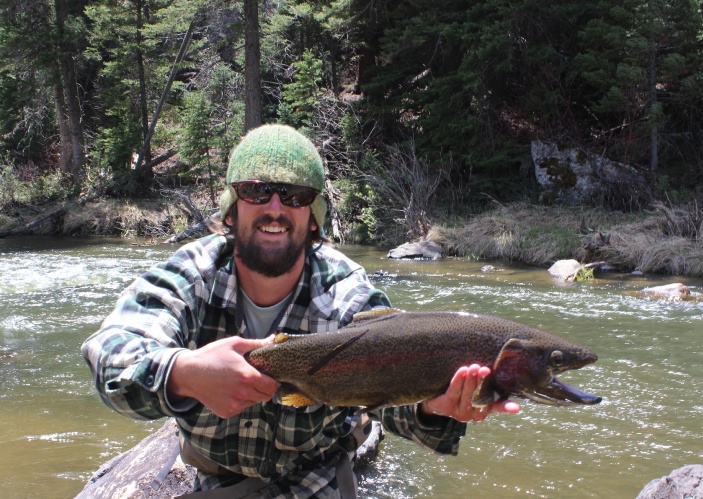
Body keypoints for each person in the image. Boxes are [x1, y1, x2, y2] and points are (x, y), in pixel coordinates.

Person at [81, 124, 519, 498]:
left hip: (317, 475)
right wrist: (183, 372)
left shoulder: (345, 292)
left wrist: (434, 409)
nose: (275, 208)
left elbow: (392, 401)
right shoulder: (190, 275)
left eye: (293, 195)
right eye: (256, 191)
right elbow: (110, 352)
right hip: (216, 478)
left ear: (314, 218)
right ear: (231, 212)